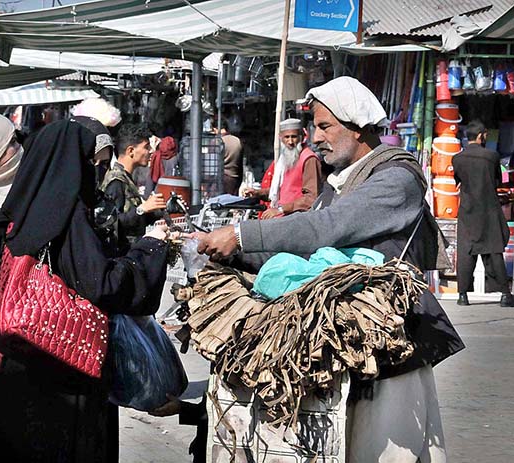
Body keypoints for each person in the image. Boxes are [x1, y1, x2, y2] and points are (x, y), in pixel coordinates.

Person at [194, 76, 464, 462]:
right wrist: (234, 256)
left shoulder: (395, 179)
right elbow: (312, 250)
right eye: (312, 128)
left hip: (388, 353)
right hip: (347, 350)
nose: (315, 138)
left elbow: (328, 228)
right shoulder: (339, 182)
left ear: (357, 126)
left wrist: (241, 235)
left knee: (383, 449)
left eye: (325, 126)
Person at [0, 116, 172, 462]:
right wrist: (148, 249)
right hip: (66, 372)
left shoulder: (18, 210)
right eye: (90, 162)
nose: (95, 173)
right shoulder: (70, 219)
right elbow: (101, 285)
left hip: (20, 363)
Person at [453, 120, 514, 306]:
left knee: (466, 253)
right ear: (481, 136)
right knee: (494, 251)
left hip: (467, 211)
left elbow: (458, 180)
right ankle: (505, 295)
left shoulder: (457, 159)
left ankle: (463, 295)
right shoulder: (491, 156)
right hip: (488, 210)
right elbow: (497, 180)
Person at [100, 123, 166, 251]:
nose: (151, 151)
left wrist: (155, 211)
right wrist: (142, 209)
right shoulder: (116, 181)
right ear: (130, 151)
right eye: (146, 147)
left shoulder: (126, 178)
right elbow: (111, 223)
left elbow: (133, 221)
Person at [244, 118, 322, 218]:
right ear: (281, 138)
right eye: (287, 137)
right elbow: (282, 190)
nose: (290, 141)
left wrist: (281, 209)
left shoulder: (309, 159)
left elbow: (311, 198)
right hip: (283, 217)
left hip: (298, 219)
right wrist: (257, 193)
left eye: (294, 137)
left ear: (302, 137)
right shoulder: (286, 158)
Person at [219, 121, 244, 195]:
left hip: (221, 178)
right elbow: (240, 164)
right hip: (234, 178)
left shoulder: (218, 142)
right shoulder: (237, 141)